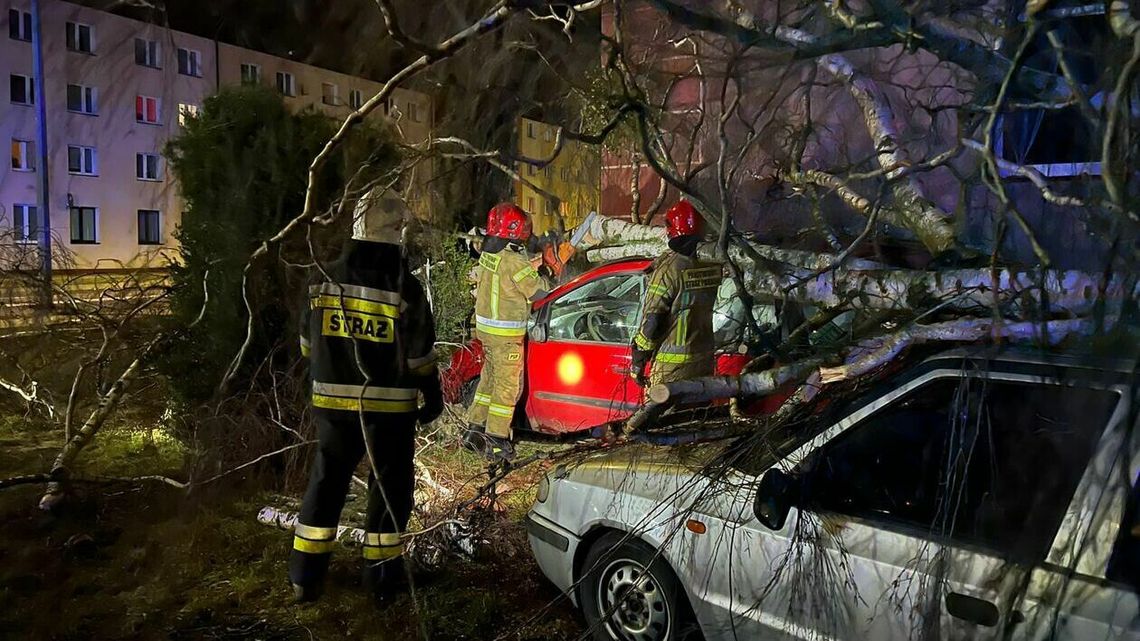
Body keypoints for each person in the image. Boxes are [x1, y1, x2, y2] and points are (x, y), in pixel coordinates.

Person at [290, 188, 443, 603]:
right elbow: (419, 359)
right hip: (389, 414)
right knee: (390, 493)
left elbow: (307, 346)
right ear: (399, 233)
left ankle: (305, 578)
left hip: (333, 410)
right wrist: (433, 398)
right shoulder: (405, 290)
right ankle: (380, 582)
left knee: (326, 484)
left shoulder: (324, 278)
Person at [464, 203, 548, 463]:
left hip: (487, 333)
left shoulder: (490, 254)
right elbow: (538, 293)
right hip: (506, 337)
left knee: (488, 382)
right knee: (507, 388)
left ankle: (474, 432)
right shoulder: (514, 260)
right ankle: (497, 442)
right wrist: (546, 273)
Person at [630, 200, 722, 388]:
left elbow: (653, 319)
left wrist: (638, 360)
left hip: (672, 367)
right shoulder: (712, 264)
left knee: (663, 416)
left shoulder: (670, 269)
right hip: (704, 360)